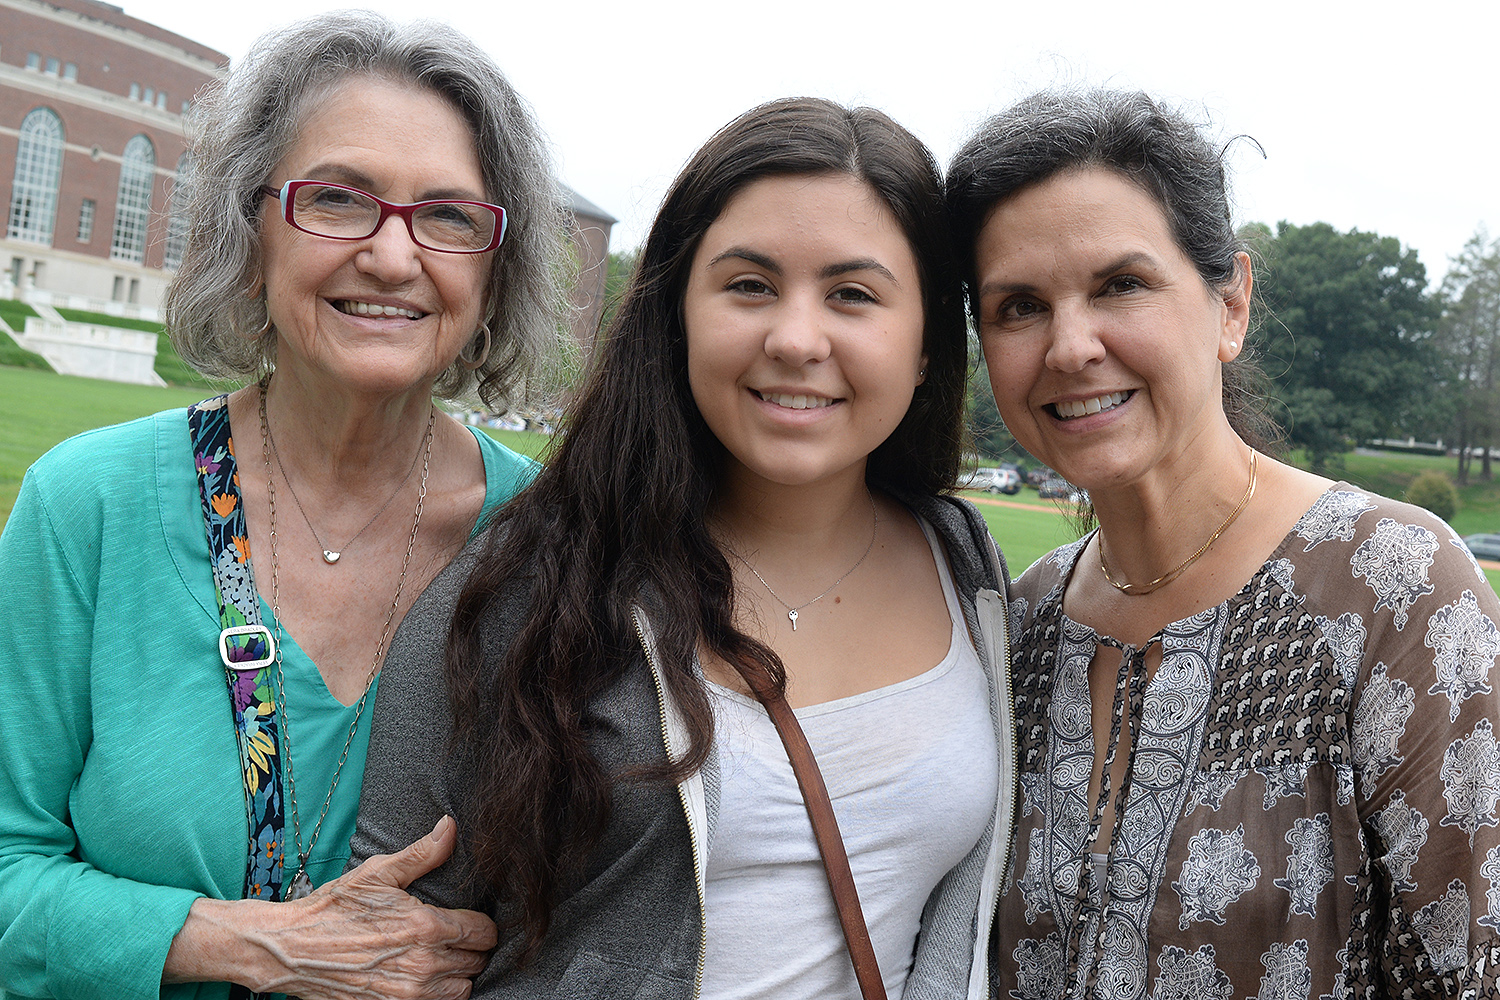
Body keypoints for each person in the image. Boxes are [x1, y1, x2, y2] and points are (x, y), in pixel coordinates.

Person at [350, 97, 1017, 999]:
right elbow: (389, 922)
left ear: (931, 343)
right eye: (749, 286)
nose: (795, 338)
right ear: (678, 314)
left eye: (853, 294)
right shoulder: (538, 582)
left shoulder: (966, 565)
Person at [0, 11, 568, 999]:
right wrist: (249, 943)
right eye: (339, 199)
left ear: (492, 269)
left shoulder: (553, 542)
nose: (394, 258)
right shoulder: (84, 506)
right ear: (249, 230)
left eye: (447, 216)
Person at [947, 88, 1500, 998]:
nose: (1070, 345)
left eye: (1121, 284)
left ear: (1231, 305)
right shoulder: (1019, 624)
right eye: (1018, 306)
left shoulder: (1397, 591)